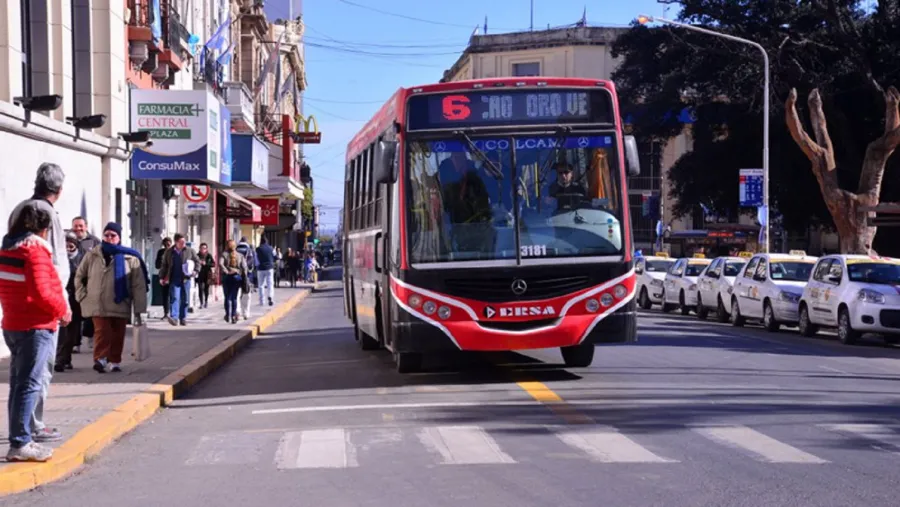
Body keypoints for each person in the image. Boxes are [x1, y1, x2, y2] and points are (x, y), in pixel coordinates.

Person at [0, 204, 70, 462]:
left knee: (18, 385)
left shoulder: (7, 250)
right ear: (43, 229)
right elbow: (42, 291)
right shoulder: (35, 252)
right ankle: (21, 443)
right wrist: (62, 310)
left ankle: (18, 438)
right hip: (35, 326)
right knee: (29, 385)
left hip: (13, 323)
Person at [75, 222, 149, 373]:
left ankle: (115, 361)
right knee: (102, 331)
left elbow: (138, 285)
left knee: (117, 333)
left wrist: (139, 308)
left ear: (119, 238)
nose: (109, 238)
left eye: (113, 235)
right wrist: (82, 296)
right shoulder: (92, 255)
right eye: (107, 235)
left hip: (120, 302)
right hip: (98, 302)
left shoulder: (131, 257)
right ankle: (100, 359)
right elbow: (79, 276)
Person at [54, 232, 84, 372]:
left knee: (72, 332)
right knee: (62, 330)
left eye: (71, 243)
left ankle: (66, 358)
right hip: (61, 298)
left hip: (76, 301)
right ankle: (60, 359)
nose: (68, 246)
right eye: (66, 243)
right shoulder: (58, 258)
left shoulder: (82, 259)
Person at [158, 233, 200, 326]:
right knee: (175, 298)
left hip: (186, 279)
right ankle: (174, 318)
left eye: (184, 241)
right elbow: (164, 265)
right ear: (176, 242)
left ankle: (183, 318)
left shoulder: (190, 251)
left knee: (185, 299)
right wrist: (161, 277)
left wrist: (196, 271)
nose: (183, 243)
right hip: (174, 278)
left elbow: (197, 261)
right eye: (181, 242)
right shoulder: (169, 252)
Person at [219, 240, 248, 324]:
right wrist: (243, 276)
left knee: (227, 297)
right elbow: (244, 267)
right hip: (236, 278)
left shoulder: (224, 254)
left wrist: (226, 271)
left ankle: (227, 315)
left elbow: (220, 264)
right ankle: (233, 315)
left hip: (226, 278)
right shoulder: (240, 255)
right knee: (234, 297)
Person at [155, 237, 172, 319]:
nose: (167, 246)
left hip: (172, 276)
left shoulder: (174, 252)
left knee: (172, 294)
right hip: (163, 276)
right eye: (165, 244)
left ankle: (173, 313)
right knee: (164, 295)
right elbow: (156, 265)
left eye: (168, 244)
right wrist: (161, 262)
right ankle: (166, 313)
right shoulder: (160, 252)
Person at [255, 236, 276, 307]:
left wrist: (257, 266)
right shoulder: (271, 248)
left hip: (261, 268)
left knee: (261, 285)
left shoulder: (257, 249)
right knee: (270, 283)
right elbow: (275, 256)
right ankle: (270, 297)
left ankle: (262, 301)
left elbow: (256, 259)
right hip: (269, 268)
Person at [196, 243, 215, 309]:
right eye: (201, 248)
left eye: (204, 248)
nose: (203, 250)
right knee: (200, 288)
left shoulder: (209, 256)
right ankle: (201, 303)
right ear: (199, 248)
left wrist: (206, 263)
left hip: (207, 274)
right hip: (200, 274)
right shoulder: (197, 255)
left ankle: (206, 301)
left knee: (206, 289)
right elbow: (194, 263)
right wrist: (199, 263)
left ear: (206, 249)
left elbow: (213, 264)